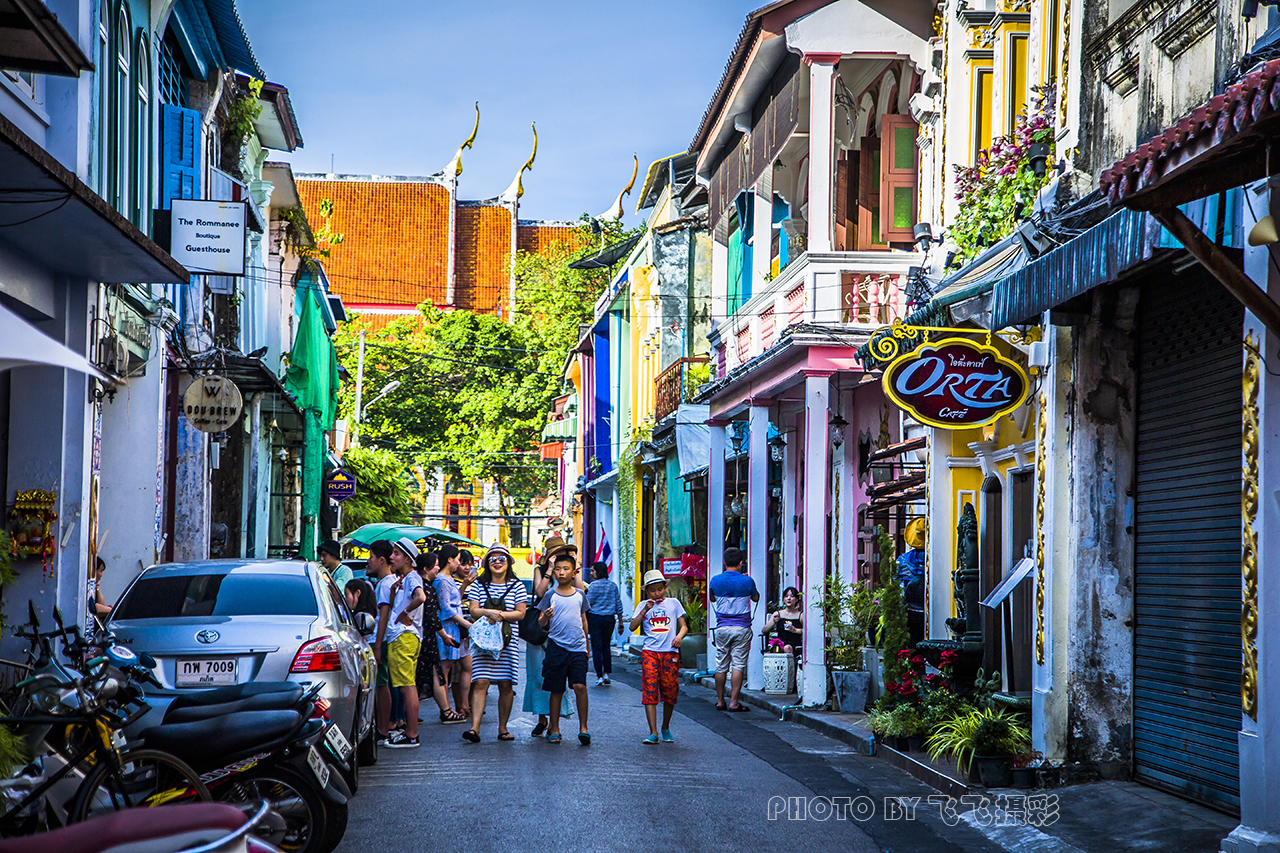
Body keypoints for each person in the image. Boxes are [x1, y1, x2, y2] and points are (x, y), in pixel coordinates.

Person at [462, 543, 526, 743]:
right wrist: (487, 612)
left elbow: (521, 613)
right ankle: (474, 728)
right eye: (493, 559)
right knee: (480, 681)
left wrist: (498, 615)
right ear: (486, 563)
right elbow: (473, 610)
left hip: (507, 642)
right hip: (483, 643)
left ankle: (503, 728)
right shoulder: (479, 585)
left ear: (509, 562)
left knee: (506, 684)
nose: (497, 562)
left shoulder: (518, 585)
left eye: (501, 558)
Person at [523, 538, 577, 736]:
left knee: (558, 676)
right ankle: (541, 718)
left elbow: (580, 590)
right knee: (538, 675)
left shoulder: (569, 570)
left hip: (563, 629)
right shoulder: (541, 570)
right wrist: (549, 569)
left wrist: (574, 565)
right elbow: (539, 591)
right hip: (541, 629)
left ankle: (555, 724)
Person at [537, 551, 591, 745]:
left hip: (577, 648)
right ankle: (555, 728)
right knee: (556, 689)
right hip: (556, 647)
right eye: (558, 569)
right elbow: (541, 620)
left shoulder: (580, 595)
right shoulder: (550, 595)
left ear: (573, 572)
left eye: (566, 569)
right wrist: (546, 617)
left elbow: (583, 620)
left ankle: (583, 728)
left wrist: (587, 645)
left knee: (580, 686)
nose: (561, 572)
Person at [629, 569, 687, 744]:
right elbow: (632, 627)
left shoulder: (674, 603)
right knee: (650, 689)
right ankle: (653, 732)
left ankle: (665, 726)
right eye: (652, 590)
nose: (657, 593)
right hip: (650, 652)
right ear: (647, 591)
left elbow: (683, 626)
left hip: (670, 653)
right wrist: (644, 611)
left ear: (665, 588)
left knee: (670, 689)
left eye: (660, 589)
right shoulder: (643, 605)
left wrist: (679, 637)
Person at [384, 537, 426, 748]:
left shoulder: (412, 577)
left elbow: (421, 597)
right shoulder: (406, 578)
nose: (392, 557)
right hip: (406, 636)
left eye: (397, 554)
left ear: (409, 559)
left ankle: (411, 734)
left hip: (403, 636)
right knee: (406, 686)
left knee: (407, 687)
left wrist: (404, 613)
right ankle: (410, 733)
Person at [415, 551, 465, 723]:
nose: (437, 567)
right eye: (435, 564)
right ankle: (446, 710)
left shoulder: (429, 584)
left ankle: (412, 712)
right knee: (438, 672)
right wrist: (444, 634)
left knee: (430, 673)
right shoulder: (433, 584)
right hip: (433, 633)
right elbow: (435, 613)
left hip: (433, 632)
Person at [709, 546, 758, 712]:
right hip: (742, 628)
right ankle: (734, 703)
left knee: (721, 665)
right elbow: (756, 597)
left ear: (724, 562)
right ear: (741, 562)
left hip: (722, 628)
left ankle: (720, 701)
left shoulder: (715, 580)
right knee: (738, 665)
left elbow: (712, 598)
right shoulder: (747, 581)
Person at [435, 544, 473, 719]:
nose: (459, 564)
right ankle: (447, 709)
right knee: (444, 669)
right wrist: (466, 623)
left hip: (453, 628)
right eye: (457, 560)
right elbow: (446, 608)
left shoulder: (447, 578)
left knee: (450, 667)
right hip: (447, 628)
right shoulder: (442, 580)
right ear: (449, 559)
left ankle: (452, 707)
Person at [368, 541, 397, 743]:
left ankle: (383, 728)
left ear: (381, 560)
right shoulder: (387, 582)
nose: (368, 561)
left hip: (380, 639)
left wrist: (377, 646)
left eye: (370, 557)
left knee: (381, 684)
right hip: (381, 638)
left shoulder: (385, 584)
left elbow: (384, 616)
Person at [584, 560, 623, 685]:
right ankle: (607, 673)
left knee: (596, 647)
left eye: (593, 570)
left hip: (595, 618)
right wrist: (621, 622)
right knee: (606, 646)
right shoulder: (613, 586)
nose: (591, 573)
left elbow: (587, 603)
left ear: (598, 571)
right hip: (609, 619)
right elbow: (618, 604)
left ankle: (599, 676)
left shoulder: (594, 586)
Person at [763, 587, 803, 657]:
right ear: (783, 599)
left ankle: (790, 667)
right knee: (781, 647)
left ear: (796, 599)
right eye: (786, 596)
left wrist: (795, 630)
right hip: (780, 643)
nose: (789, 598)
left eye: (792, 596)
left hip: (795, 644)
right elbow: (764, 631)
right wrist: (774, 622)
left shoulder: (800, 615)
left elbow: (806, 631)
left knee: (787, 648)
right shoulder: (778, 614)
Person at [91, 557, 112, 624]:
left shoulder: (93, 587)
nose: (101, 575)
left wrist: (97, 587)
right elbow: (94, 607)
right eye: (100, 571)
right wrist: (111, 610)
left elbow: (101, 605)